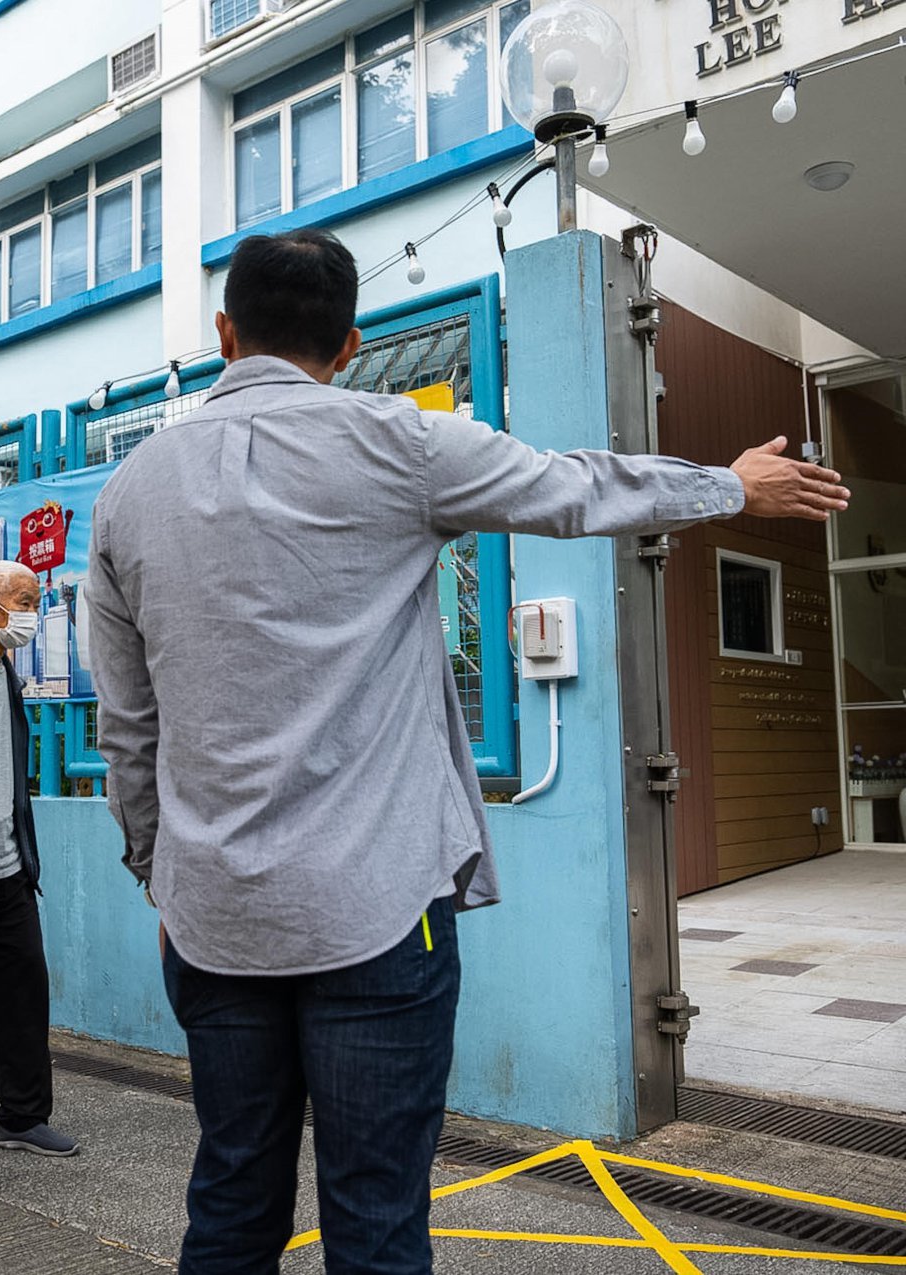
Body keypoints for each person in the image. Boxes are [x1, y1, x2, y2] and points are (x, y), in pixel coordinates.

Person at [84, 228, 851, 1274]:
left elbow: (125, 723)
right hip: (380, 902)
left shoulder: (129, 490)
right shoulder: (394, 443)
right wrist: (727, 486)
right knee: (378, 1212)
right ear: (349, 345)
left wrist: (153, 864)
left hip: (213, 913)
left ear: (225, 332)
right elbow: (573, 487)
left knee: (230, 1194)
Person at [0, 561, 77, 1157]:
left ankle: (23, 1117)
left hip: (7, 867)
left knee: (25, 992)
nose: (33, 610)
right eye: (25, 600)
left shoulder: (7, 675)